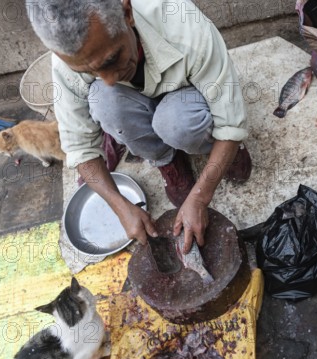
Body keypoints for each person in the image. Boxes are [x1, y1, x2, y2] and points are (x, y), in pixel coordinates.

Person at [27, 0, 251, 253]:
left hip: (187, 96)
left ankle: (220, 149)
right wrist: (119, 205)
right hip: (133, 102)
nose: (109, 79)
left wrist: (200, 197)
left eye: (113, 58)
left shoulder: (181, 23)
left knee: (177, 123)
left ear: (127, 13)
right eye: (91, 71)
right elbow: (80, 149)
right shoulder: (66, 61)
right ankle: (166, 159)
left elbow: (230, 121)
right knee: (103, 101)